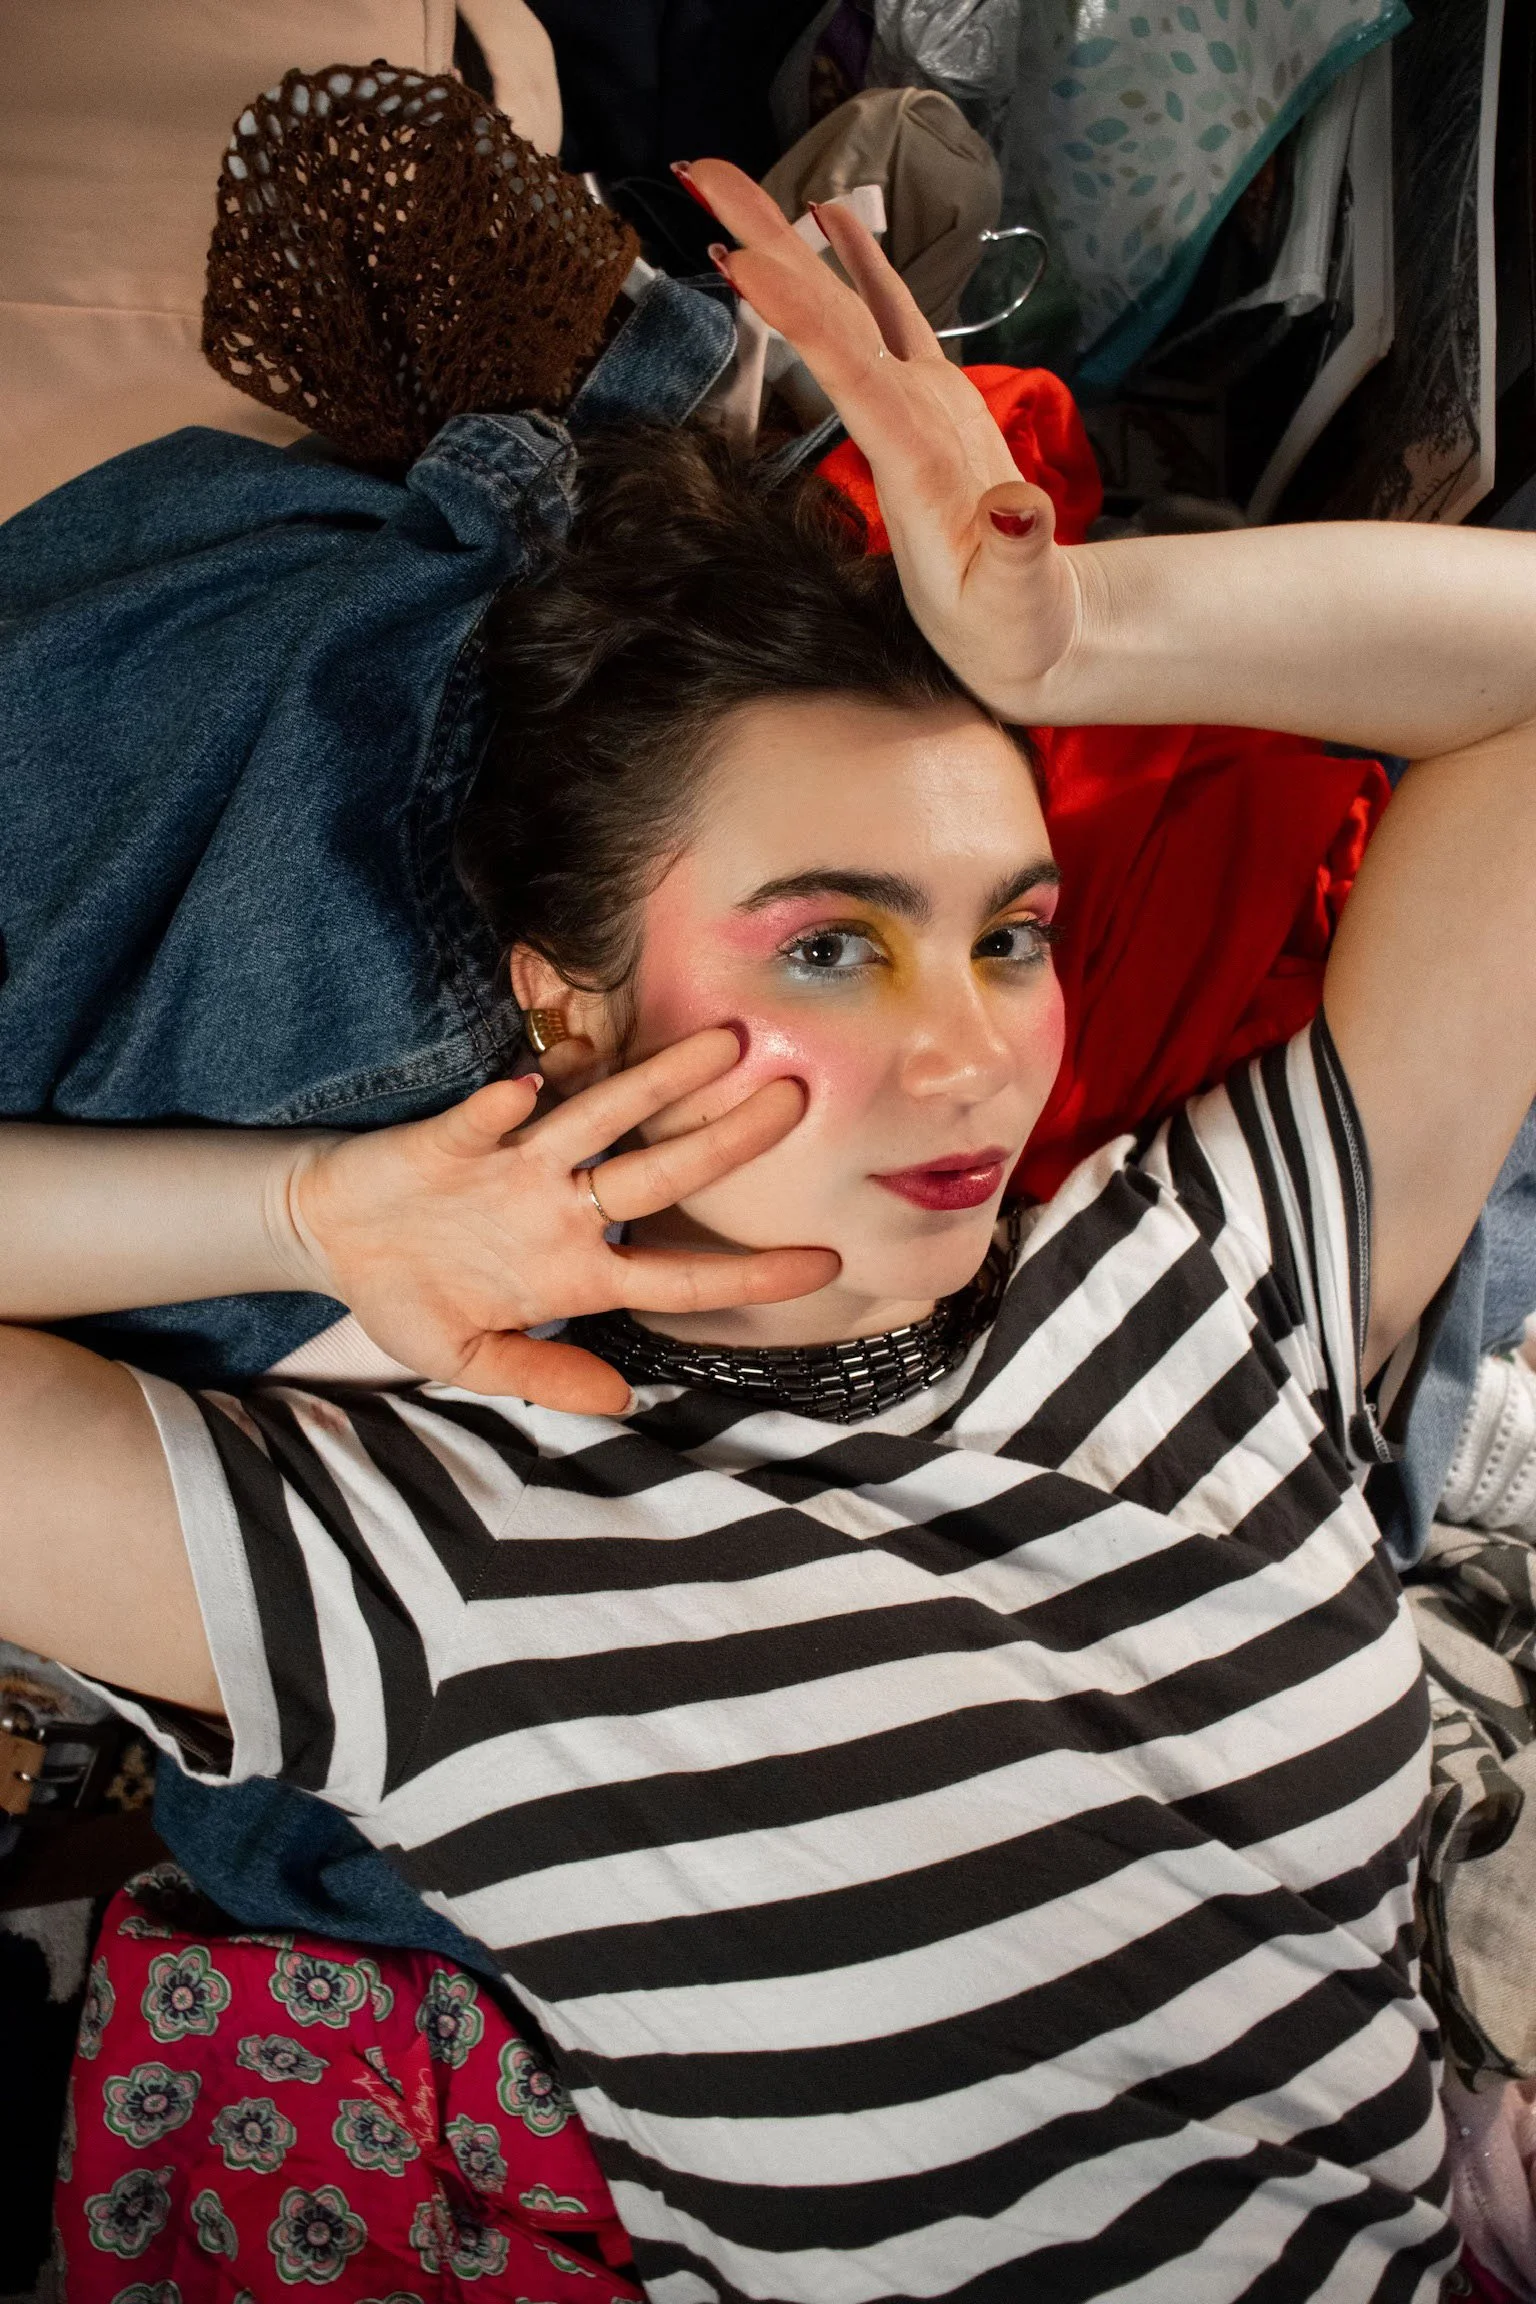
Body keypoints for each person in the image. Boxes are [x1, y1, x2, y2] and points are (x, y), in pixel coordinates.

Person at [5, 161, 1536, 2301]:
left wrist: (1079, 634)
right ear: (565, 1002)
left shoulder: (1214, 1277)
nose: (972, 1058)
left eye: (1011, 935)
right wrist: (299, 1214)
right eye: (831, 947)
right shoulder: (439, 1558)